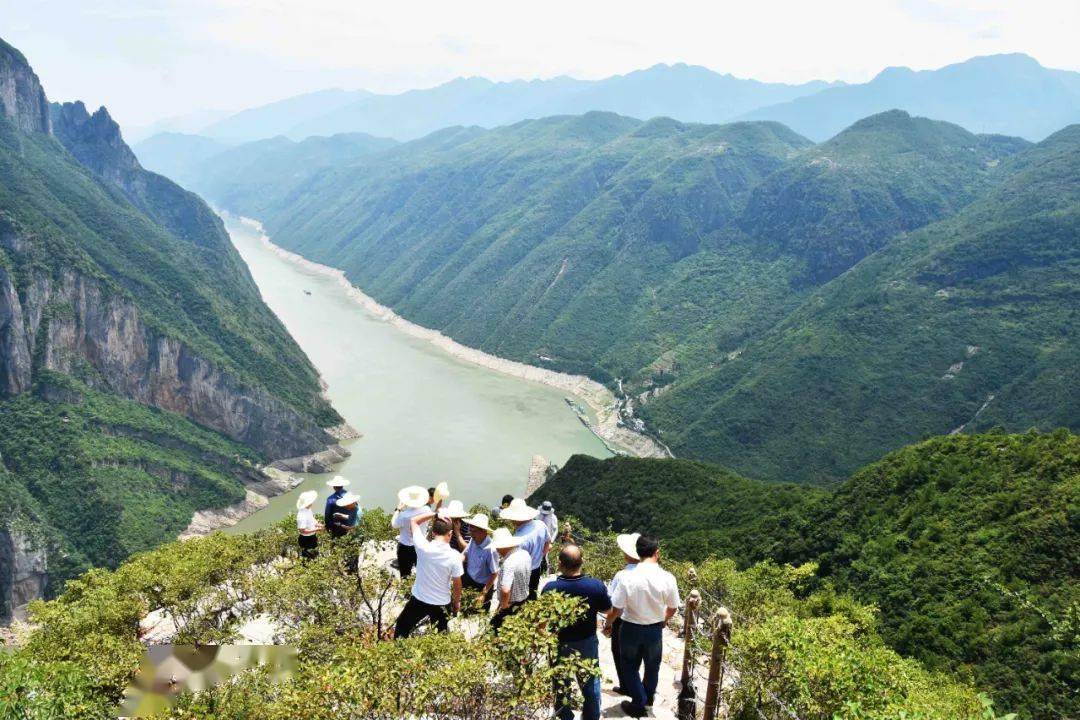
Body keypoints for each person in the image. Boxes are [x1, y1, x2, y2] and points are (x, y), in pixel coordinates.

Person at [604, 535, 680, 718]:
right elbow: (673, 607)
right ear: (657, 553)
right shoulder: (667, 578)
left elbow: (617, 608)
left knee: (629, 666)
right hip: (654, 629)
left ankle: (638, 702)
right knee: (653, 666)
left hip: (630, 628)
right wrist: (663, 620)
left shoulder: (627, 577)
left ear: (637, 553)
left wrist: (608, 623)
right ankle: (648, 698)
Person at [541, 545, 611, 720]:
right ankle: (591, 715)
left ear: (559, 563)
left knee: (560, 682)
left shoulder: (550, 588)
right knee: (590, 680)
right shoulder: (595, 586)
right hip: (586, 641)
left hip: (559, 640)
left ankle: (564, 716)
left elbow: (541, 623)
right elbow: (609, 610)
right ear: (582, 562)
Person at [392, 511, 463, 638]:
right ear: (450, 534)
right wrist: (456, 603)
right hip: (442, 603)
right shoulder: (455, 557)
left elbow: (414, 521)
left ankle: (399, 655)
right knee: (440, 637)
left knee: (402, 628)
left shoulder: (422, 547)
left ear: (433, 533)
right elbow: (457, 584)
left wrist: (435, 513)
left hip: (420, 599)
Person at [607, 533, 640, 697]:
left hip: (622, 621)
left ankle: (626, 686)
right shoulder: (652, 573)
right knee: (637, 655)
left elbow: (612, 602)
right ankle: (635, 684)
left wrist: (608, 624)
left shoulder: (621, 575)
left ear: (627, 555)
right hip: (644, 621)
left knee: (619, 653)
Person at [500, 498, 550, 599]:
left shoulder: (519, 539)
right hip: (536, 568)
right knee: (532, 593)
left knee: (519, 599)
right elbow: (548, 542)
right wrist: (541, 556)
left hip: (524, 573)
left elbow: (515, 563)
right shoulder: (541, 525)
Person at [490, 527, 530, 633]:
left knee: (494, 633)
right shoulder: (525, 554)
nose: (497, 550)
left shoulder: (509, 563)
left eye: (497, 547)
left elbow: (506, 590)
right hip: (523, 601)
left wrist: (503, 606)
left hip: (509, 605)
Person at [460, 513, 498, 607]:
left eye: (474, 531)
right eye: (470, 530)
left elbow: (494, 573)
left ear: (483, 531)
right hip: (469, 579)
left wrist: (483, 594)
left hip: (482, 586)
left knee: (479, 612)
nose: (470, 534)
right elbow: (465, 555)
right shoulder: (473, 540)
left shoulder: (491, 549)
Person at [391, 486, 430, 578]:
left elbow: (393, 524)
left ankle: (406, 591)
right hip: (420, 546)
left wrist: (398, 510)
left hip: (405, 547)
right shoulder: (427, 510)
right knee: (421, 572)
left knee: (405, 573)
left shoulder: (404, 515)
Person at [295, 490, 322, 560]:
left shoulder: (308, 509)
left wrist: (317, 524)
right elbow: (302, 531)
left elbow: (312, 519)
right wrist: (316, 529)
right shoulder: (302, 515)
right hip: (306, 539)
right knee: (308, 557)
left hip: (312, 536)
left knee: (314, 554)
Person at [538, 500, 559, 574]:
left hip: (547, 540)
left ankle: (544, 572)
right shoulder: (538, 514)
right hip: (537, 539)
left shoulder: (553, 517)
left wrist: (551, 541)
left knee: (544, 556)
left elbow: (556, 530)